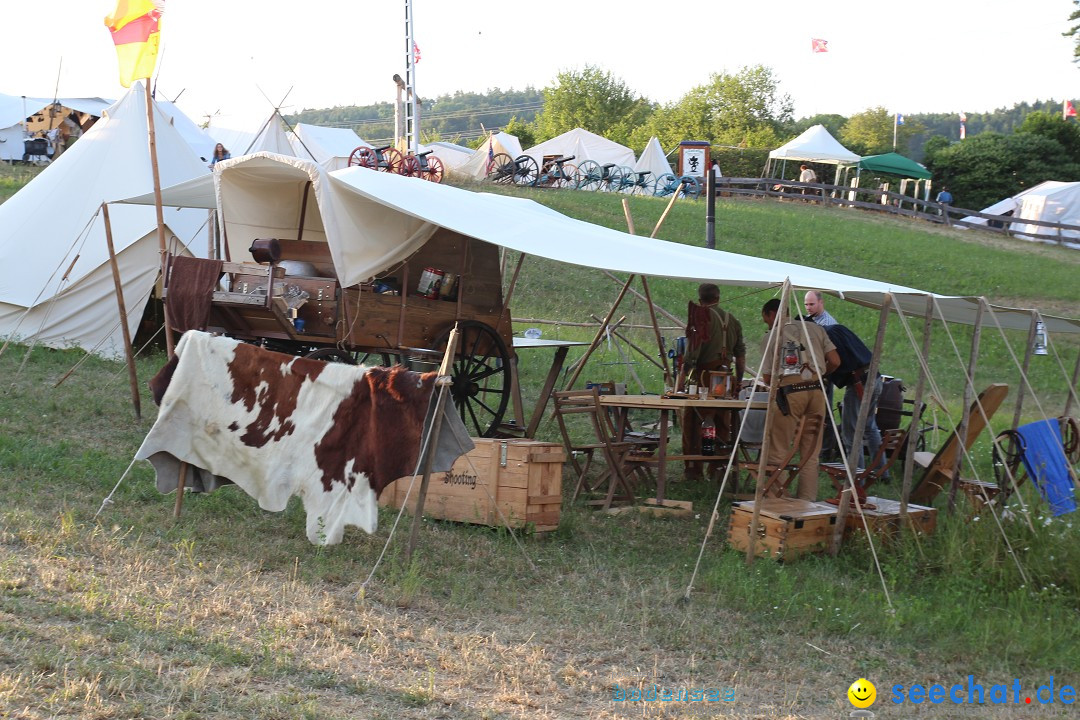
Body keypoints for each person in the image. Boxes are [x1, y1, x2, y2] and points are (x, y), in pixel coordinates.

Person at [760, 298, 840, 501]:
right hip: (817, 391)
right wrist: (819, 376)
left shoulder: (771, 336)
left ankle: (777, 500)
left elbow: (768, 378)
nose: (767, 324)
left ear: (771, 314)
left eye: (766, 320)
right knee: (810, 453)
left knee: (778, 450)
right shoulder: (816, 329)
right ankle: (807, 501)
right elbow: (835, 361)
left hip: (790, 392)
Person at [681, 283, 746, 480]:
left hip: (704, 379)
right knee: (722, 424)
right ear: (718, 297)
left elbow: (692, 356)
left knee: (695, 423)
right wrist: (739, 382)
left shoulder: (701, 319)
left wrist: (682, 379)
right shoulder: (732, 320)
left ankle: (694, 469)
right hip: (726, 380)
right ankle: (719, 468)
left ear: (700, 300)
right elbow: (741, 355)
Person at [822, 324, 884, 477]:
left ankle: (856, 478)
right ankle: (881, 472)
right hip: (874, 377)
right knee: (870, 426)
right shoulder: (836, 328)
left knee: (851, 434)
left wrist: (823, 372)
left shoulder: (826, 337)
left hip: (859, 383)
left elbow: (835, 362)